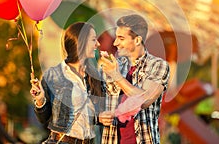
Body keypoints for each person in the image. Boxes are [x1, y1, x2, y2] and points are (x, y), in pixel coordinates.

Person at [99, 14, 170, 144]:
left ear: (137, 40)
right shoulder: (112, 66)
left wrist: (117, 76)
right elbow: (98, 103)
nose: (115, 43)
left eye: (121, 38)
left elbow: (144, 100)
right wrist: (100, 116)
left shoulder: (158, 65)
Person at [30, 22, 105, 144]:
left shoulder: (95, 76)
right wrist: (40, 100)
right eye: (93, 40)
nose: (98, 44)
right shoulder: (54, 75)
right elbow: (43, 119)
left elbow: (100, 114)